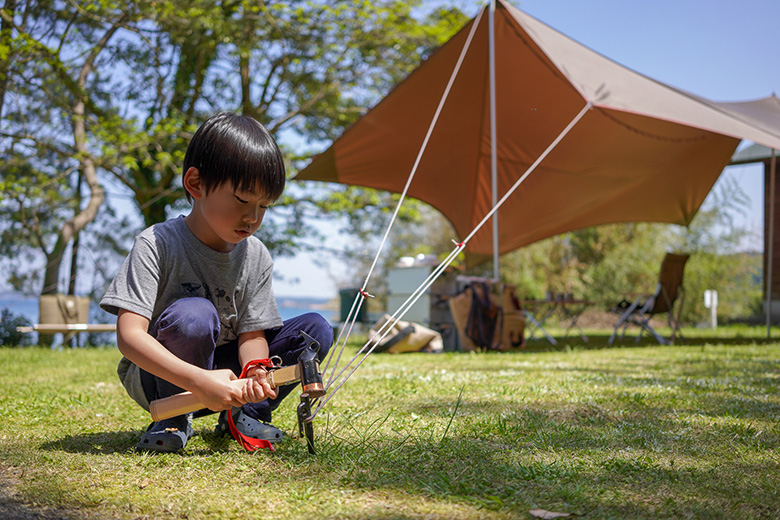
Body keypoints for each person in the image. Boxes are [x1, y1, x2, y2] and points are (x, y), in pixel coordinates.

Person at [100, 111, 332, 453]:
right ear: (195, 184)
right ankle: (173, 420)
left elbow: (252, 333)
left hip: (227, 380)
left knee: (315, 329)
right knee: (194, 314)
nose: (252, 218)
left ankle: (244, 413)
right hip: (166, 381)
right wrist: (199, 379)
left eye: (263, 206)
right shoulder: (157, 243)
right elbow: (129, 336)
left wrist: (256, 371)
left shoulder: (256, 255)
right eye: (241, 199)